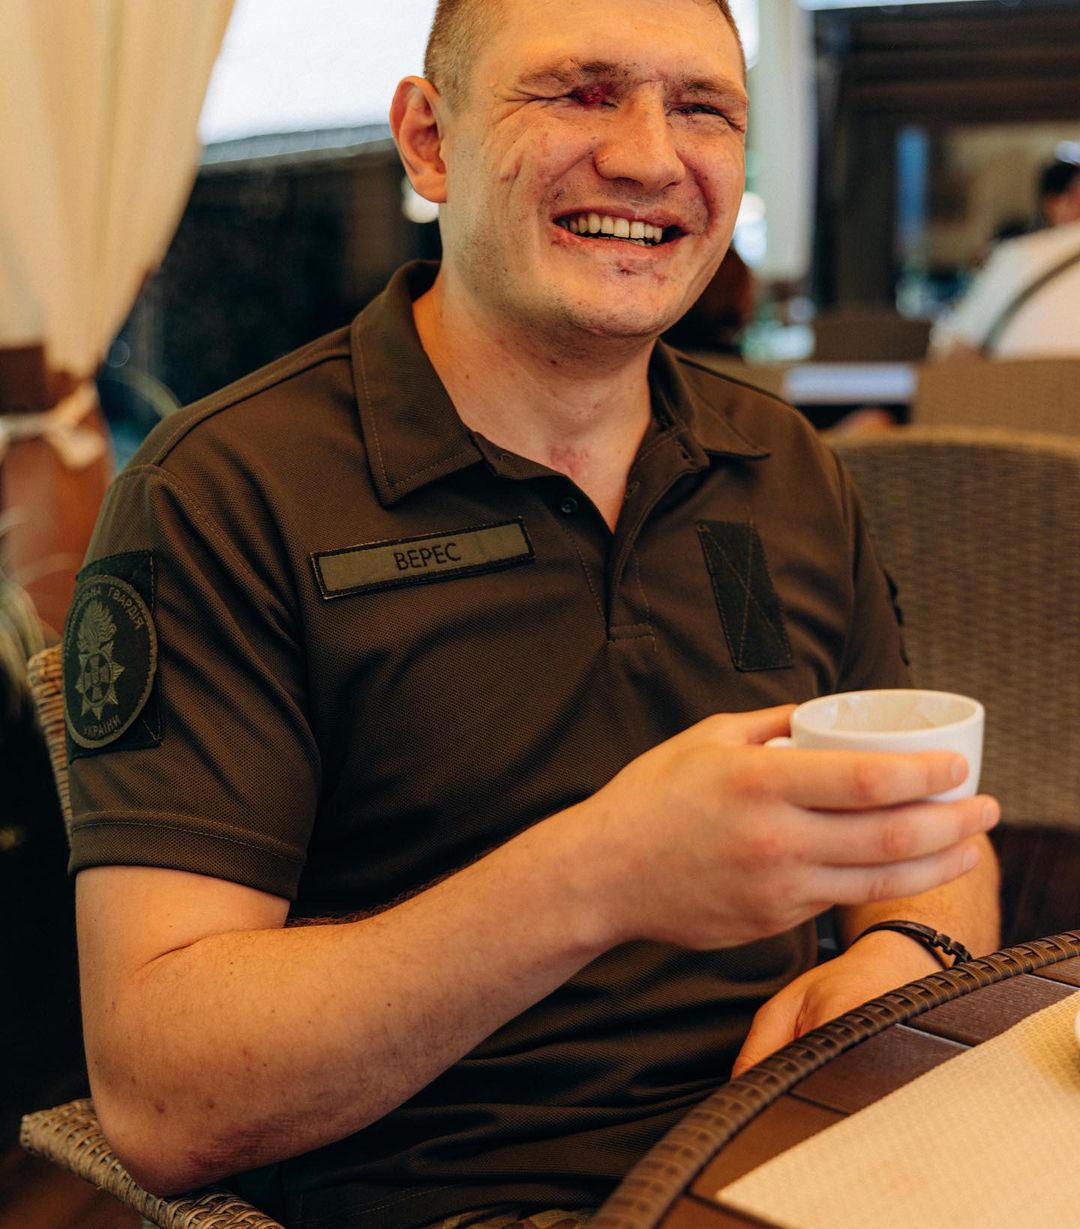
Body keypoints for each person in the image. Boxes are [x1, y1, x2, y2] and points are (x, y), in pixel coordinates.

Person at [67, 1, 1000, 1226]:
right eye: (579, 91)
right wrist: (598, 875)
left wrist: (907, 952)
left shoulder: (778, 464)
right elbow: (162, 1094)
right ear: (429, 141)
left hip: (818, 1159)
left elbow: (934, 839)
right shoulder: (221, 494)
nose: (650, 157)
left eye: (702, 108)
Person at [930, 156, 1080, 358]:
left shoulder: (1020, 255)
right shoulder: (1021, 252)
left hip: (1022, 376)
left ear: (1056, 203)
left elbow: (955, 355)